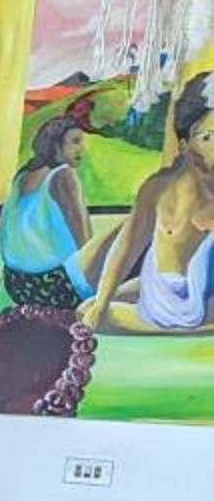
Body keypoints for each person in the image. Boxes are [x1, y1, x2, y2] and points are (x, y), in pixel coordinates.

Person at [85, 72, 214, 333]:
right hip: (162, 295)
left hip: (204, 301)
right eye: (209, 136)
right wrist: (101, 303)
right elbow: (127, 245)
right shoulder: (158, 189)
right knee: (88, 309)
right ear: (184, 144)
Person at [0, 111, 110, 308]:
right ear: (56, 146)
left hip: (16, 285)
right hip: (54, 287)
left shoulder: (22, 175)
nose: (81, 149)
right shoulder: (63, 176)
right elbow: (85, 243)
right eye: (75, 142)